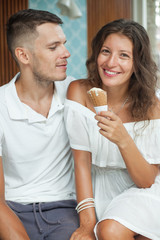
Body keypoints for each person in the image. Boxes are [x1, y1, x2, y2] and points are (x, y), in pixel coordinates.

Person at [64, 19, 160, 240]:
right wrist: (87, 226)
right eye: (106, 51)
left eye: (124, 55)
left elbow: (146, 181)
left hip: (144, 191)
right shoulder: (79, 91)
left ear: (138, 63)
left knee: (111, 231)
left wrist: (123, 139)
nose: (111, 62)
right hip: (100, 191)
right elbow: (81, 165)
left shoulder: (152, 106)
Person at [0, 8, 79, 240]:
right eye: (53, 47)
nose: (66, 53)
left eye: (63, 44)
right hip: (11, 210)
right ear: (24, 56)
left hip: (65, 211)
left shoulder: (76, 93)